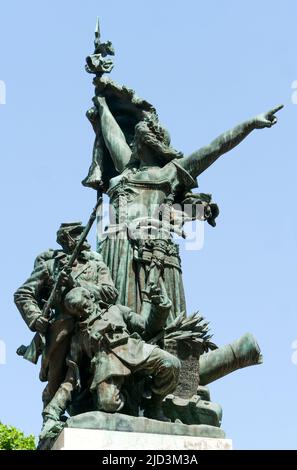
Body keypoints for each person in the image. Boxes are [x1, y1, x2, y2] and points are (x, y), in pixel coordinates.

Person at [83, 95, 283, 322]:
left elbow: (215, 148)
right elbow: (112, 135)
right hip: (114, 246)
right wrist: (101, 102)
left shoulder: (170, 172)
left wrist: (251, 124)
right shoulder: (127, 170)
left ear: (140, 144)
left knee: (146, 314)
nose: (129, 144)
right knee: (112, 314)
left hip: (149, 249)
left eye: (134, 141)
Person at [40, 284, 180, 439]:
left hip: (134, 351)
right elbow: (71, 378)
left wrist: (160, 306)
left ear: (92, 298)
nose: (84, 312)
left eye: (84, 306)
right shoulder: (79, 337)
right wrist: (52, 411)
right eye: (78, 311)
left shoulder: (116, 310)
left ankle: (154, 406)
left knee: (171, 363)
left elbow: (147, 326)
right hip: (108, 367)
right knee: (108, 404)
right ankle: (132, 403)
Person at [14, 222, 117, 410]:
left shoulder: (96, 265)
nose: (83, 237)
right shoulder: (50, 266)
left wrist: (76, 285)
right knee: (56, 379)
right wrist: (36, 318)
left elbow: (110, 293)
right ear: (66, 239)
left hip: (94, 324)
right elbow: (23, 294)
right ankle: (51, 417)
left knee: (97, 372)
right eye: (78, 234)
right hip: (62, 327)